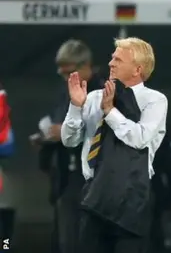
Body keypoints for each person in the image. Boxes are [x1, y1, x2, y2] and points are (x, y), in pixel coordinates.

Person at [61, 37, 168, 253]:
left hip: (131, 196)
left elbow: (139, 138)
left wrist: (110, 112)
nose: (111, 64)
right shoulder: (93, 98)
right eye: (112, 58)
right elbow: (69, 139)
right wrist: (75, 106)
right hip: (94, 193)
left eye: (118, 60)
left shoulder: (154, 101)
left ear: (137, 69)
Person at [36, 40, 105, 253]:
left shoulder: (104, 93)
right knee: (64, 241)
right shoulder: (65, 94)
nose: (66, 79)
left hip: (93, 180)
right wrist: (45, 138)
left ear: (86, 66)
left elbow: (108, 130)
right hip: (65, 179)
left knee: (85, 242)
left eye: (70, 73)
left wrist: (65, 131)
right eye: (63, 75)